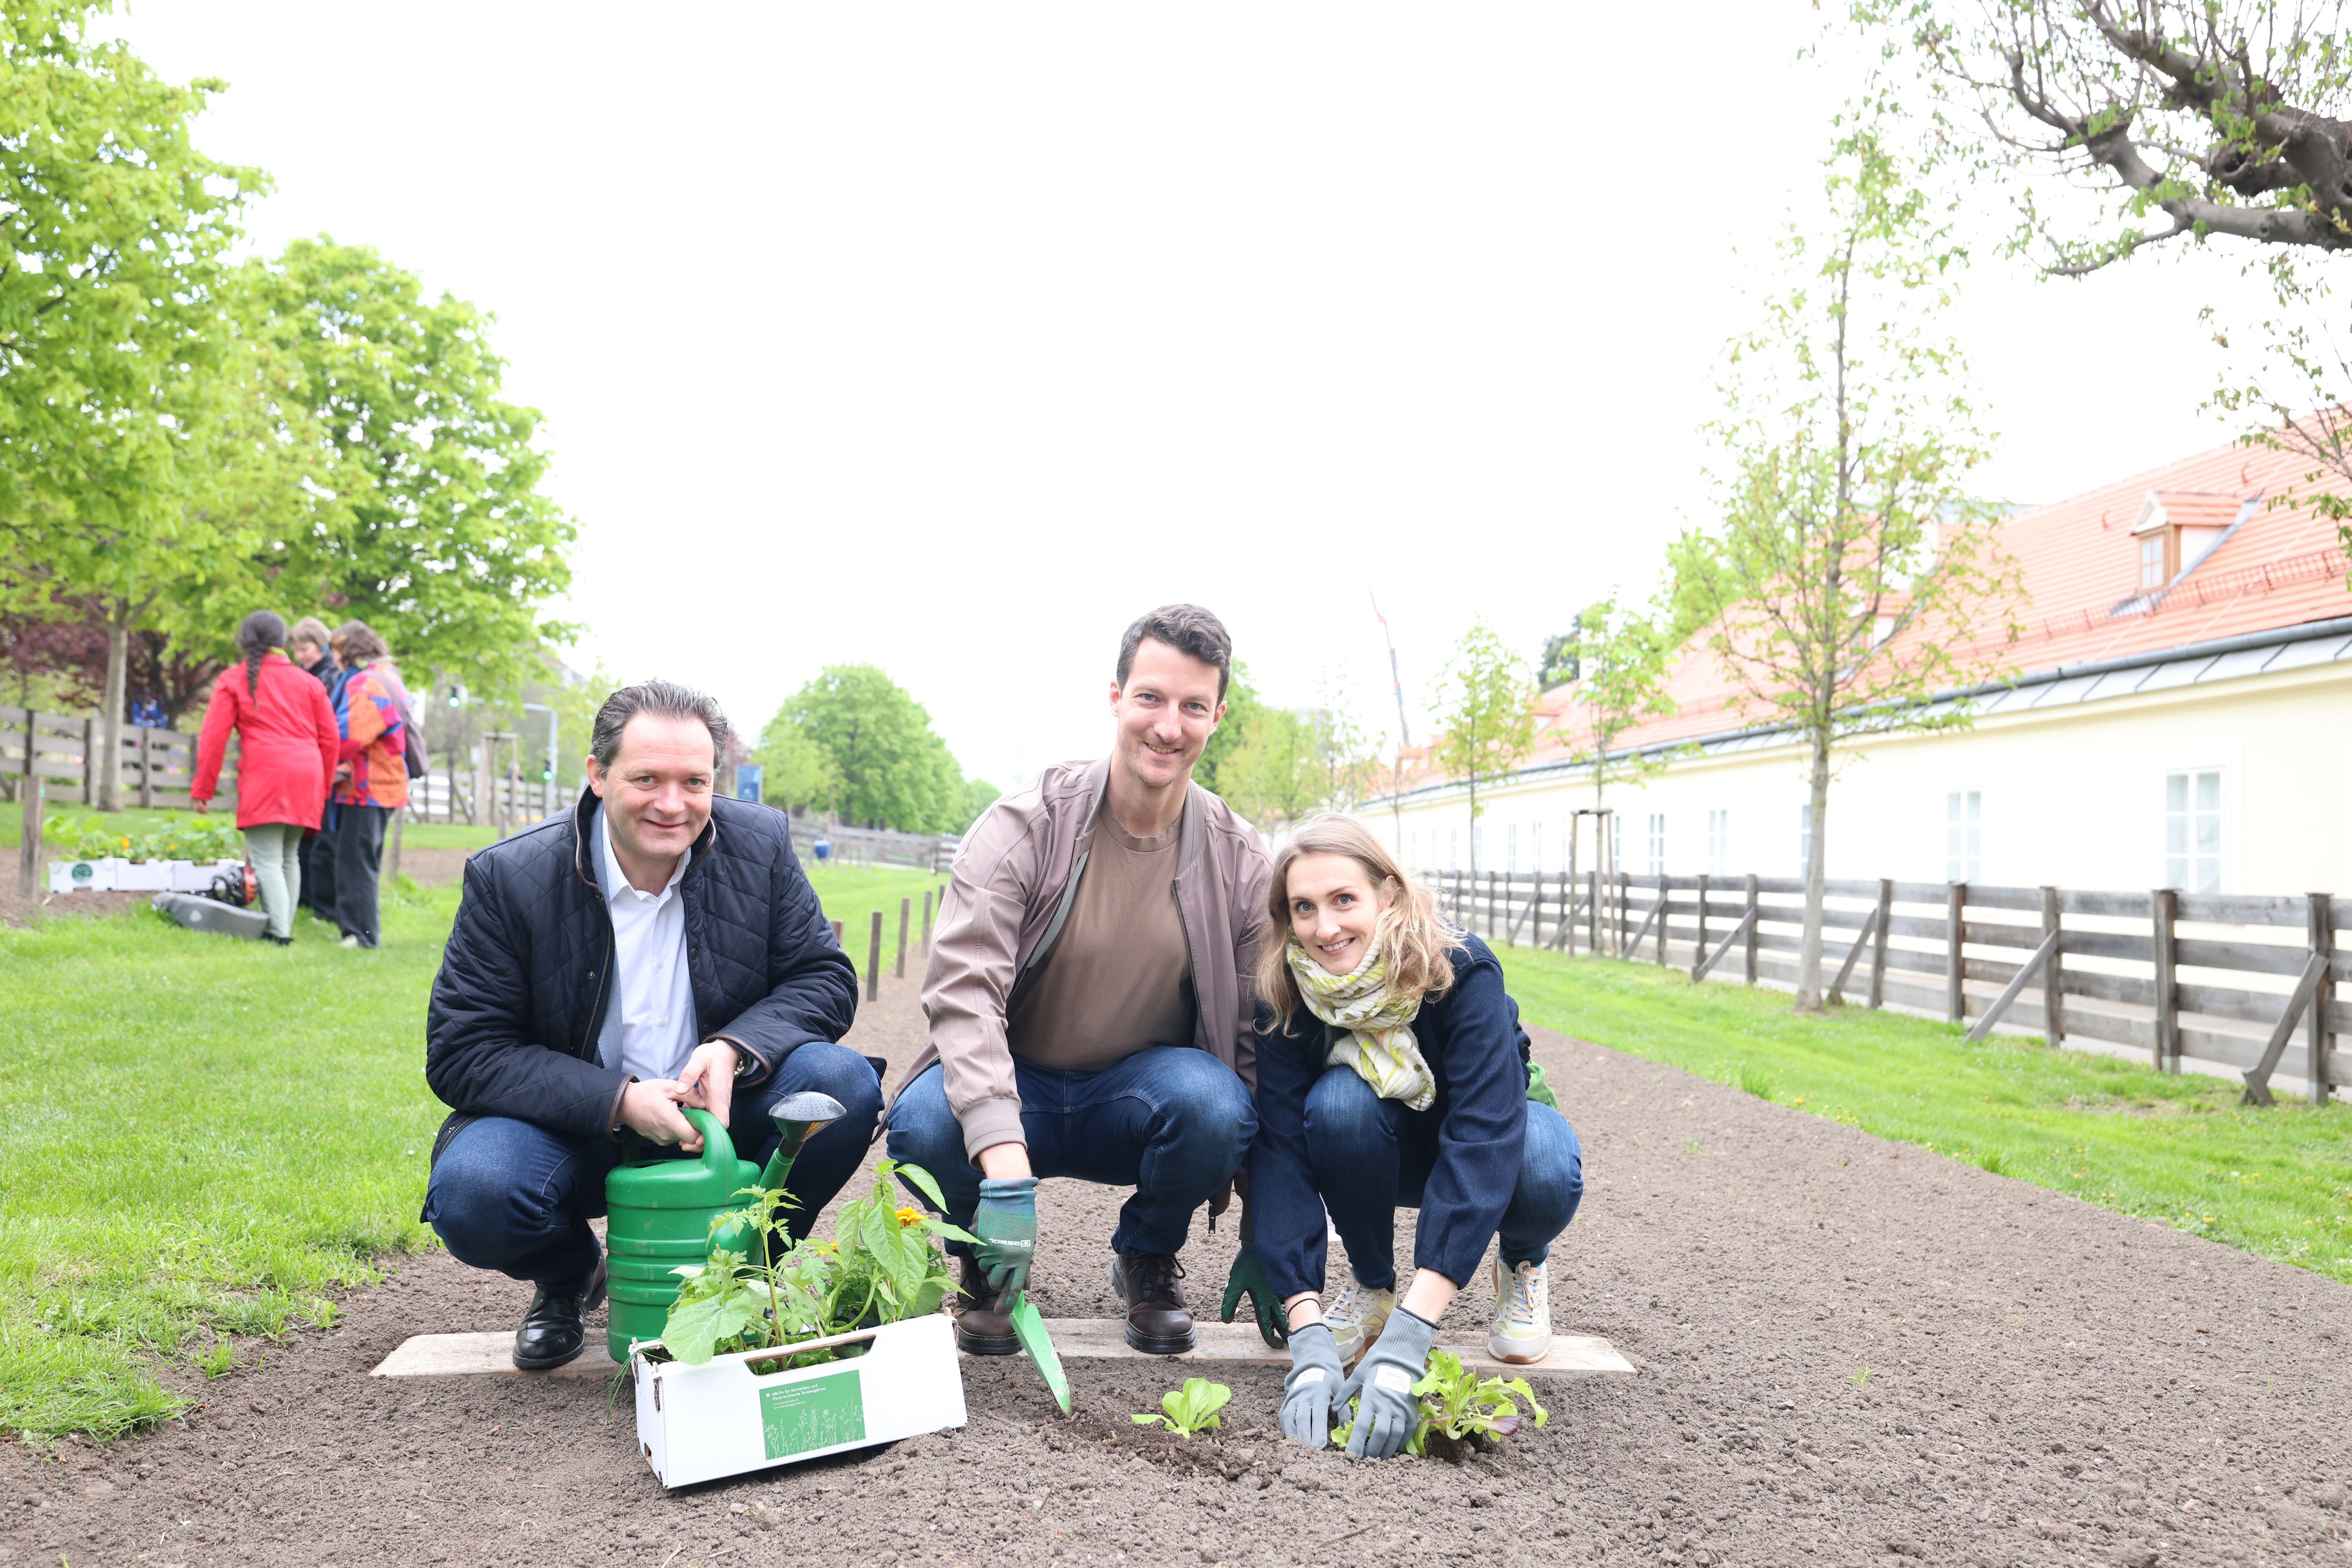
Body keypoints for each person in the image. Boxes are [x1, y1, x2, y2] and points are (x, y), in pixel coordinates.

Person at [422, 680, 873, 1370]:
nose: (672, 803)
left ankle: (744, 1281)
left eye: (694, 781)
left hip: (723, 1110)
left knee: (837, 1086)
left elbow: (824, 975)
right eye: (647, 779)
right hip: (576, 1125)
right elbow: (463, 1051)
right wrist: (620, 1102)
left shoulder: (762, 846)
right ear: (598, 776)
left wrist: (734, 1048)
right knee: (475, 1192)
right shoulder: (510, 878)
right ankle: (571, 1276)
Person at [886, 604, 1271, 1356]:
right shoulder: (1025, 826)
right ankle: (985, 1262)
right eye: (1151, 698)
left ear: (1216, 717)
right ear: (1115, 697)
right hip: (1015, 1080)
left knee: (1215, 1105)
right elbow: (964, 996)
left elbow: (1258, 1043)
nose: (1168, 726)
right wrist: (1003, 1170)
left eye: (1193, 707)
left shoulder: (1240, 858)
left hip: (1136, 1096)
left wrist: (1268, 1223)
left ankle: (1147, 1254)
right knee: (923, 1125)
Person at [1250, 813, 1584, 1459]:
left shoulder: (1460, 967)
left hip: (1498, 1135)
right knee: (1338, 1105)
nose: (1326, 927)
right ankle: (1371, 1288)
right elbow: (1281, 1154)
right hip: (1385, 1139)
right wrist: (1307, 1334)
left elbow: (1484, 1137)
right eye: (1304, 908)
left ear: (1389, 894)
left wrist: (1410, 1343)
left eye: (1344, 899)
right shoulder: (1286, 991)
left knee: (1542, 1163)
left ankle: (1521, 1261)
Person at [188, 611, 341, 947]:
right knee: (288, 857)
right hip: (308, 775)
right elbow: (331, 739)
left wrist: (202, 789)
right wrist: (324, 787)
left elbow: (213, 737)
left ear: (245, 641)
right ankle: (283, 926)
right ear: (283, 642)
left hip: (267, 775)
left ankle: (280, 934)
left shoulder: (234, 679)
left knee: (267, 858)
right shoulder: (310, 683)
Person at [325, 620, 409, 948]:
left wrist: (324, 752)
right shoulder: (388, 675)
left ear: (349, 649)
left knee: (356, 862)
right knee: (364, 860)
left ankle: (361, 936)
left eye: (335, 650)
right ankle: (361, 932)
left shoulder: (367, 683)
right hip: (383, 785)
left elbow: (349, 736)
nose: (334, 659)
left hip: (368, 788)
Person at [288, 616, 342, 921]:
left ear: (321, 645)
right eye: (296, 649)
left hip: (323, 762)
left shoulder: (329, 677)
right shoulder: (306, 674)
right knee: (305, 836)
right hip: (309, 762)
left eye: (305, 648)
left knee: (320, 840)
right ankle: (306, 900)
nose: (300, 656)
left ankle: (320, 905)